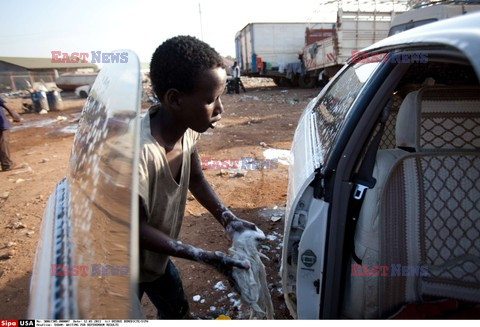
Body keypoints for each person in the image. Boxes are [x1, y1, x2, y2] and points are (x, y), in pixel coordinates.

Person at [138, 35, 260, 319]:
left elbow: (195, 179)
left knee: (176, 310)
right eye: (210, 100)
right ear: (175, 99)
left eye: (220, 97)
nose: (220, 109)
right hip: (120, 265)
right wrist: (206, 257)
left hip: (155, 258)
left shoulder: (186, 128)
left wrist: (228, 218)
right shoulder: (138, 154)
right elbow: (135, 229)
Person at [0, 96, 21, 171]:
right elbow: (6, 105)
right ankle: (7, 164)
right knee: (3, 144)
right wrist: (15, 116)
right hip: (1, 125)